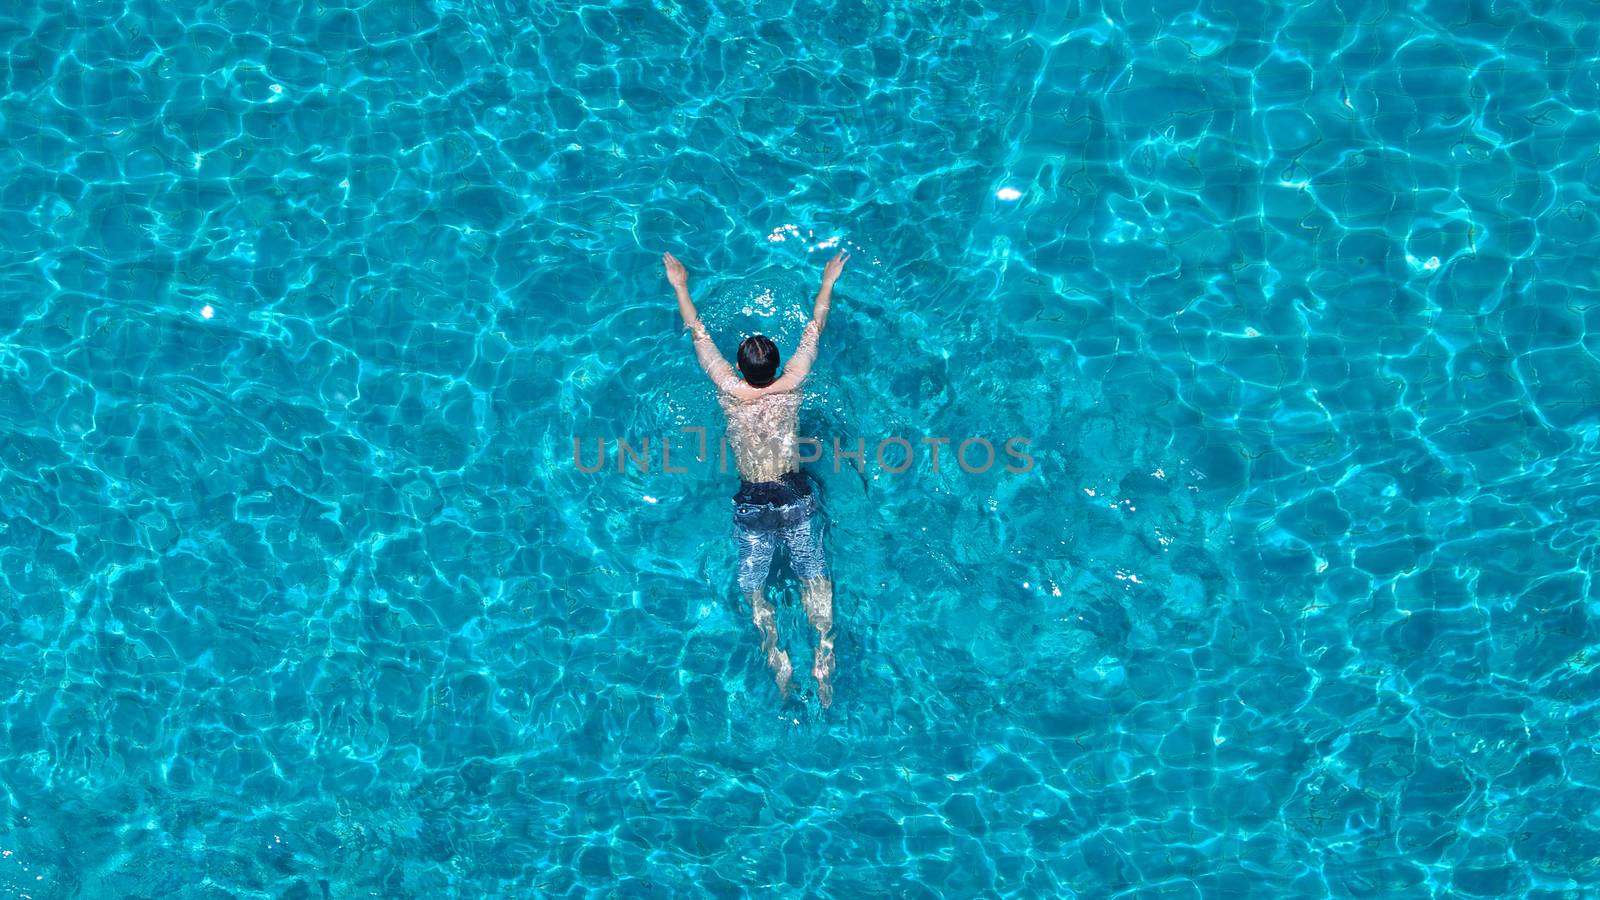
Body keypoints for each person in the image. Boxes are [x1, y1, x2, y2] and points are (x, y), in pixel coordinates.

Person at [662, 249, 849, 707]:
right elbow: (815, 327)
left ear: (741, 369)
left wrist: (681, 286)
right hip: (795, 494)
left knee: (754, 588)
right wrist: (827, 282)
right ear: (778, 365)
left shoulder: (729, 389)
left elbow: (698, 333)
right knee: (814, 578)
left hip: (752, 504)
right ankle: (823, 663)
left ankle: (777, 659)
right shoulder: (795, 381)